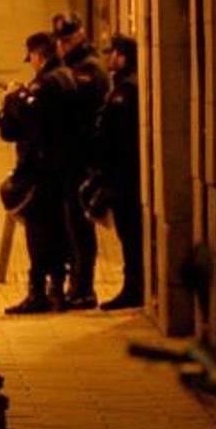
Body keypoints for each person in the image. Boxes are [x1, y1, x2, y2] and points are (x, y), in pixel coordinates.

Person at [0, 33, 76, 314]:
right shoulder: (66, 76)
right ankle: (57, 288)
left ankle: (39, 293)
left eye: (31, 58)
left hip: (40, 171)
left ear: (38, 55)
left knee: (39, 234)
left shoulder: (46, 84)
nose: (31, 63)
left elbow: (21, 123)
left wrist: (11, 99)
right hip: (60, 169)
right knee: (57, 231)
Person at [52, 12, 111, 310]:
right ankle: (78, 283)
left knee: (80, 224)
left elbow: (78, 108)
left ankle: (85, 286)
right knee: (72, 224)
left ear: (80, 35)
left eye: (67, 40)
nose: (62, 46)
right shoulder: (73, 66)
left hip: (83, 156)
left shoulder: (89, 68)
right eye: (60, 41)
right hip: (71, 156)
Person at [89, 34, 142, 310]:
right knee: (128, 234)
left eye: (110, 52)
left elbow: (119, 139)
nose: (105, 57)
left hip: (125, 177)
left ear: (121, 56)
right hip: (121, 175)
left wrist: (109, 174)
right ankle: (133, 285)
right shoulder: (123, 86)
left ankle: (134, 287)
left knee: (131, 234)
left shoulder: (126, 91)